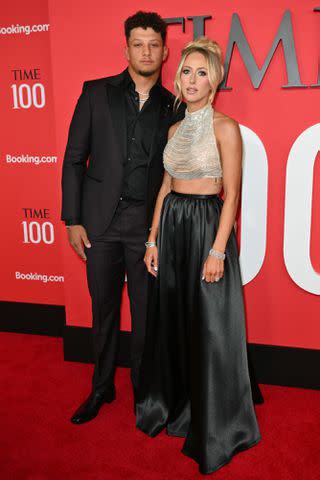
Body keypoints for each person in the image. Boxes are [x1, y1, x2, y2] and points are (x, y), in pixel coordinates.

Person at [136, 37, 261, 474]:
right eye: (186, 71)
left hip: (207, 224)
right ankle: (173, 403)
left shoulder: (226, 127)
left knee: (208, 323)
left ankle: (216, 420)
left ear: (215, 80)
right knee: (174, 316)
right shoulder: (172, 130)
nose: (192, 80)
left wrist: (218, 250)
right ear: (178, 77)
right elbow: (165, 188)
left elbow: (232, 196)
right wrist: (152, 240)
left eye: (201, 72)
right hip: (172, 224)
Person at [61, 11, 184, 425]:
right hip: (99, 224)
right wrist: (72, 220)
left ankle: (144, 393)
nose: (146, 52)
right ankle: (101, 387)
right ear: (126, 48)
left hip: (148, 228)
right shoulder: (95, 93)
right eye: (138, 44)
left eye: (153, 44)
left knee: (147, 313)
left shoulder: (175, 106)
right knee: (104, 309)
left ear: (165, 52)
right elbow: (74, 160)